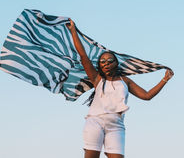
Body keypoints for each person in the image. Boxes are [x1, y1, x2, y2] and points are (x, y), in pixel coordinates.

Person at [66, 19, 174, 158]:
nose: (106, 63)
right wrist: (73, 31)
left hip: (116, 125)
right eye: (102, 61)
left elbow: (147, 96)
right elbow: (83, 56)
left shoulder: (125, 81)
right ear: (100, 65)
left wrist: (165, 79)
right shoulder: (97, 79)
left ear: (116, 64)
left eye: (110, 61)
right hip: (95, 121)